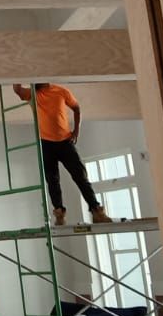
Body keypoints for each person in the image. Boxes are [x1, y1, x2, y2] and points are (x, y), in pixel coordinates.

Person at [12, 82, 112, 226]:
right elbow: (18, 90)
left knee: (80, 176)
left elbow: (77, 108)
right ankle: (59, 214)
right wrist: (19, 76)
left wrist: (77, 130)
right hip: (46, 144)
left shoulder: (61, 91)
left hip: (65, 142)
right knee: (52, 180)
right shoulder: (33, 93)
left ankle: (96, 211)